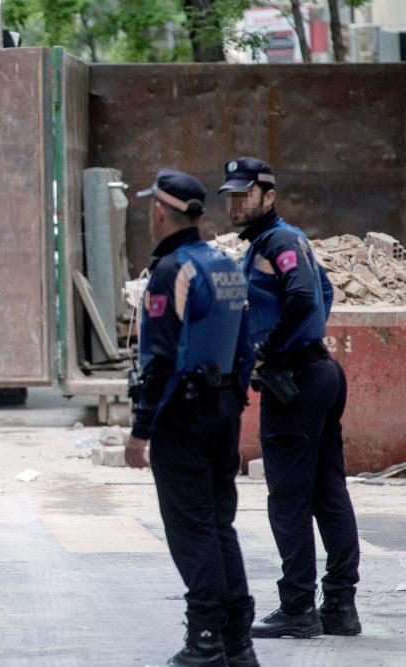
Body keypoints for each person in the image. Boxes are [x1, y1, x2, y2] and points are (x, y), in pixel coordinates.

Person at [219, 156, 361, 639]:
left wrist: (270, 350)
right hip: (316, 373)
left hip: (298, 380)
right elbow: (323, 289)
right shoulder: (273, 242)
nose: (237, 202)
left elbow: (304, 295)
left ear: (269, 195)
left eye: (246, 193)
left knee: (288, 500)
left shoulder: (278, 241)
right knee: (327, 491)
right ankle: (340, 606)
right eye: (232, 194)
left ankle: (299, 606)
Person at [125, 169, 259, 667]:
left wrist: (140, 431)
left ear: (160, 211)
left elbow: (160, 359)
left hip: (182, 417)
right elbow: (246, 345)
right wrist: (234, 399)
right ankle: (236, 640)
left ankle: (205, 638)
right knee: (219, 523)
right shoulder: (225, 264)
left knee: (190, 528)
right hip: (222, 409)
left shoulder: (172, 271)